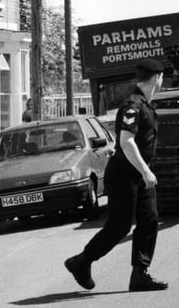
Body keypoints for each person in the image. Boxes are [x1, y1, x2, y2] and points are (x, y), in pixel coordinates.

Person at [64, 58, 168, 292]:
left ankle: (140, 274)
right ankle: (81, 262)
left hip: (138, 174)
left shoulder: (144, 104)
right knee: (119, 226)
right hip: (125, 174)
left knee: (149, 221)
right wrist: (145, 171)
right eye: (162, 77)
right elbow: (126, 141)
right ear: (157, 78)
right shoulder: (132, 106)